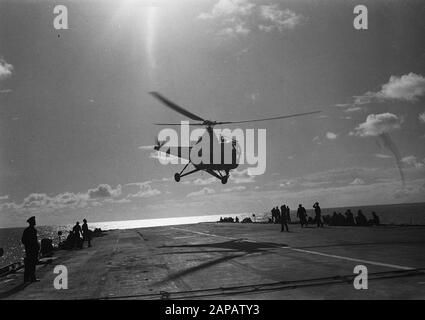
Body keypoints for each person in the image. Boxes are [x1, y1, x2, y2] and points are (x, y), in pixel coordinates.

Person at [21, 216, 40, 283]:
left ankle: (27, 279)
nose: (35, 222)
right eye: (34, 221)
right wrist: (32, 245)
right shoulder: (32, 230)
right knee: (31, 264)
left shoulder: (27, 230)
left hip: (29, 250)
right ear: (31, 222)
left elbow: (23, 240)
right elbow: (27, 241)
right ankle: (32, 278)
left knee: (29, 264)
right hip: (31, 250)